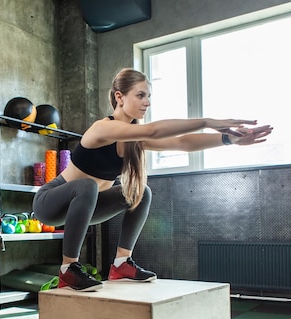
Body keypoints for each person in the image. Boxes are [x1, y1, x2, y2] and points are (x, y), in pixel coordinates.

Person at [33, 68, 272, 291]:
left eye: (149, 96)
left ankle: (121, 263)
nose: (147, 102)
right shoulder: (101, 129)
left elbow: (182, 142)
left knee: (139, 192)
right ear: (120, 96)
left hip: (88, 206)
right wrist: (207, 122)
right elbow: (152, 130)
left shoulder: (134, 139)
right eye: (140, 95)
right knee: (86, 186)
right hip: (52, 202)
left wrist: (229, 140)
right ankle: (68, 268)